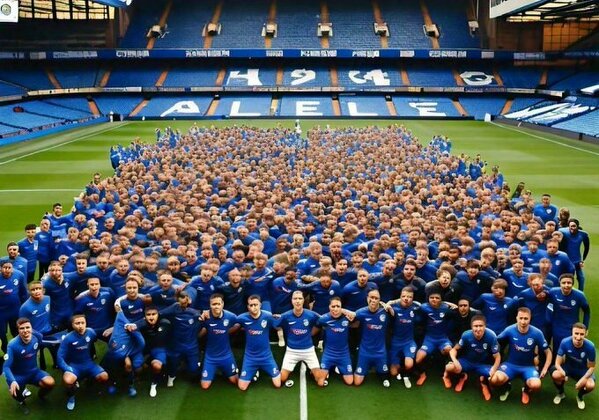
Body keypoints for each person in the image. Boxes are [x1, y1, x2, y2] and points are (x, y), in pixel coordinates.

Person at [492, 307, 552, 404]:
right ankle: (507, 386)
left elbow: (548, 352)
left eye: (526, 318)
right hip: (510, 365)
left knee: (536, 385)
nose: (523, 321)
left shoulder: (537, 333)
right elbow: (495, 341)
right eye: (521, 318)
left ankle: (526, 389)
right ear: (516, 318)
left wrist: (545, 368)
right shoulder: (509, 330)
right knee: (494, 380)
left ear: (530, 319)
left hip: (528, 367)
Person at [2, 318, 56, 415]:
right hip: (18, 376)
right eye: (22, 328)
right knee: (15, 391)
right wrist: (13, 381)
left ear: (32, 328)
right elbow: (6, 367)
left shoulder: (36, 337)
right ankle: (22, 401)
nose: (25, 330)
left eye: (28, 327)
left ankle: (41, 395)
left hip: (34, 372)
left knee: (50, 383)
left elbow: (41, 339)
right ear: (18, 330)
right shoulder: (12, 345)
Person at [57, 314, 109, 411]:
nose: (80, 326)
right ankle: (71, 396)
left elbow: (96, 338)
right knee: (68, 380)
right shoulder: (68, 338)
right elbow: (60, 358)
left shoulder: (91, 332)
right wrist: (67, 369)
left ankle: (89, 381)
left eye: (82, 323)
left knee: (104, 377)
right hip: (74, 366)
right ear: (72, 325)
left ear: (86, 323)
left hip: (89, 364)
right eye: (77, 323)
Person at [443, 315, 500, 400]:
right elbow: (453, 350)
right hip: (467, 362)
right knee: (449, 367)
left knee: (495, 378)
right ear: (471, 327)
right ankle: (455, 376)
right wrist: (455, 361)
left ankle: (483, 382)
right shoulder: (466, 335)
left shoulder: (491, 336)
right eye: (475, 326)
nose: (478, 329)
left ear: (485, 326)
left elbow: (497, 357)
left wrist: (493, 369)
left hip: (482, 364)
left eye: (480, 326)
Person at [277, 291, 325, 387]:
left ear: (303, 300)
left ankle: (312, 372)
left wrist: (312, 333)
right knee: (281, 379)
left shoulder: (311, 315)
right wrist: (281, 335)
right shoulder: (285, 316)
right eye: (295, 298)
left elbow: (323, 321)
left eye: (300, 298)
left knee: (320, 381)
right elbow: (275, 325)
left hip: (308, 351)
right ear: (291, 301)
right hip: (291, 352)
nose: (297, 301)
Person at [237, 295, 281, 391]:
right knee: (242, 387)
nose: (253, 307)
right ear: (248, 307)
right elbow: (230, 320)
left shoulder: (268, 316)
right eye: (251, 305)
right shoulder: (242, 318)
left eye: (255, 305)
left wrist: (281, 336)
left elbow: (278, 327)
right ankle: (254, 371)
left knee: (278, 384)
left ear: (260, 305)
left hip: (266, 357)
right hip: (250, 358)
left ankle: (257, 370)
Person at [353, 289, 393, 387]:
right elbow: (350, 321)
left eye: (376, 298)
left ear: (379, 300)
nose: (373, 300)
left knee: (386, 377)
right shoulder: (360, 312)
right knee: (357, 382)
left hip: (380, 351)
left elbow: (400, 307)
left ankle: (379, 371)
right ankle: (366, 366)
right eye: (371, 297)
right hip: (365, 351)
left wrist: (390, 305)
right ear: (367, 298)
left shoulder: (386, 312)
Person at [415, 291, 456, 386]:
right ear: (428, 299)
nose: (434, 299)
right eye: (432, 297)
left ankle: (446, 375)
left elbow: (457, 310)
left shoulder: (446, 308)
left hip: (443, 339)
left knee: (449, 350)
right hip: (429, 339)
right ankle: (422, 374)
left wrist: (449, 304)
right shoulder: (423, 307)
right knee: (418, 359)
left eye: (437, 298)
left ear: (441, 300)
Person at [200, 294, 239, 389]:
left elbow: (238, 324)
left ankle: (226, 370)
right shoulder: (206, 317)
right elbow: (199, 325)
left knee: (235, 381)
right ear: (210, 305)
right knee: (205, 386)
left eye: (218, 304)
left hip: (226, 356)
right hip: (210, 357)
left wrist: (227, 331)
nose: (216, 306)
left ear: (222, 304)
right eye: (214, 304)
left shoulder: (230, 316)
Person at [552, 322, 595, 410]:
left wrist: (583, 379)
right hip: (568, 367)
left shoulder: (590, 346)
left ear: (586, 333)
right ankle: (561, 393)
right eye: (576, 333)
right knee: (556, 375)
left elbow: (591, 367)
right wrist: (563, 373)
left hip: (582, 370)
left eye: (581, 334)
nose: (578, 337)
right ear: (572, 332)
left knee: (590, 385)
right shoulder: (565, 342)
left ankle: (580, 396)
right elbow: (557, 363)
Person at [387, 287, 421, 388]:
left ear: (413, 298)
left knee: (409, 364)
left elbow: (432, 303)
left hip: (408, 341)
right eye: (404, 296)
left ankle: (406, 375)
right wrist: (391, 303)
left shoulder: (417, 306)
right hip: (395, 342)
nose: (406, 298)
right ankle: (400, 370)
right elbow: (385, 305)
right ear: (400, 297)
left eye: (409, 297)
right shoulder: (393, 307)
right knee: (393, 373)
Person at [547, 273, 590, 352]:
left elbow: (587, 311)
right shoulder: (553, 292)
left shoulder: (579, 295)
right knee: (557, 350)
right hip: (557, 327)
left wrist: (585, 327)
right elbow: (545, 302)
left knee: (570, 350)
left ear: (572, 284)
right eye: (563, 283)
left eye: (569, 283)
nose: (566, 285)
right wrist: (548, 320)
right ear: (560, 283)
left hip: (572, 328)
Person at [135, 306, 171, 397]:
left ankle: (154, 383)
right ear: (145, 316)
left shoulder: (165, 323)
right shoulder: (141, 324)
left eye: (153, 314)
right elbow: (129, 327)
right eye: (148, 315)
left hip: (159, 349)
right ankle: (141, 374)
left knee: (157, 366)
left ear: (158, 314)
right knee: (137, 368)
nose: (151, 317)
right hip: (145, 350)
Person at [317, 296, 354, 386]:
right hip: (329, 354)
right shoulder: (324, 319)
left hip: (343, 354)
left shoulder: (347, 318)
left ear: (342, 307)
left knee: (350, 382)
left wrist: (343, 311)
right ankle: (327, 368)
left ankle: (338, 367)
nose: (335, 309)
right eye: (333, 306)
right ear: (329, 307)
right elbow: (316, 326)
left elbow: (355, 316)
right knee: (320, 382)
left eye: (338, 306)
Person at [559, 219, 590, 291]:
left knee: (581, 278)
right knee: (569, 278)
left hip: (577, 260)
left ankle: (581, 293)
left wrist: (583, 260)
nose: (571, 228)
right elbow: (555, 231)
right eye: (570, 226)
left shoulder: (583, 234)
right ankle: (566, 291)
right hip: (568, 261)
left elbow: (587, 247)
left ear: (577, 226)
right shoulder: (563, 231)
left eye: (573, 226)